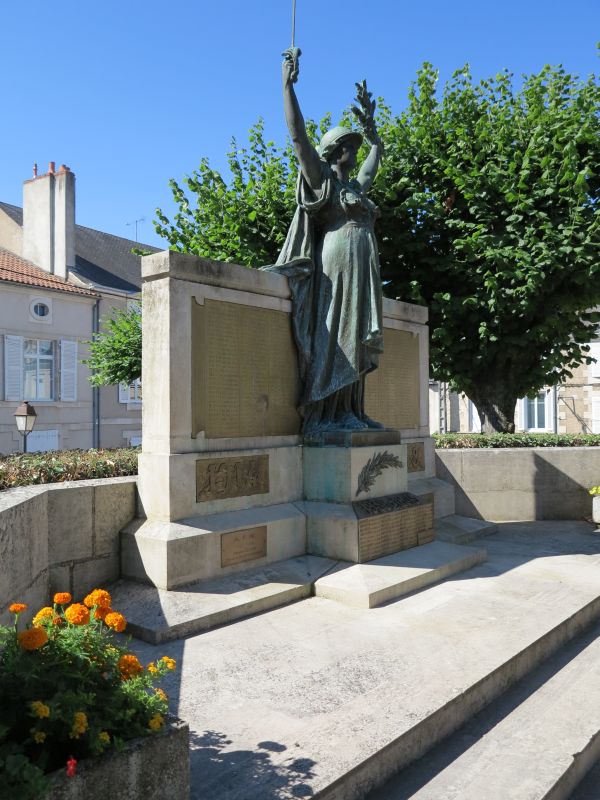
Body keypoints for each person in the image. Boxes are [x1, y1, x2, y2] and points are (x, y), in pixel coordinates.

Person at [266, 47, 385, 434]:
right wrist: (287, 87)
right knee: (338, 330)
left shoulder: (355, 187)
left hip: (364, 263)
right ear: (335, 151)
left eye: (356, 144)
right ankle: (328, 413)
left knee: (358, 332)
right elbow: (299, 138)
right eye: (349, 144)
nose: (355, 149)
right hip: (338, 261)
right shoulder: (324, 180)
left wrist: (375, 138)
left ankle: (351, 409)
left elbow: (375, 161)